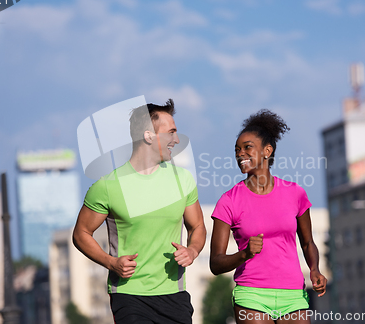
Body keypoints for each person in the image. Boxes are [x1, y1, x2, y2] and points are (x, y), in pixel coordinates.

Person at [73, 99, 206, 324]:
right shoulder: (108, 186)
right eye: (171, 132)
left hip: (174, 294)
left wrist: (192, 250)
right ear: (148, 136)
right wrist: (110, 262)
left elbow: (198, 226)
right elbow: (81, 234)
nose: (176, 139)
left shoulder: (182, 180)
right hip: (129, 295)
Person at [209, 109, 327, 324]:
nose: (240, 154)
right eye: (237, 150)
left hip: (293, 293)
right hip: (251, 294)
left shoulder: (295, 193)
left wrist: (314, 269)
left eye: (247, 148)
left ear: (267, 150)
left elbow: (308, 242)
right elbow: (215, 263)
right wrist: (243, 254)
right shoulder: (229, 201)